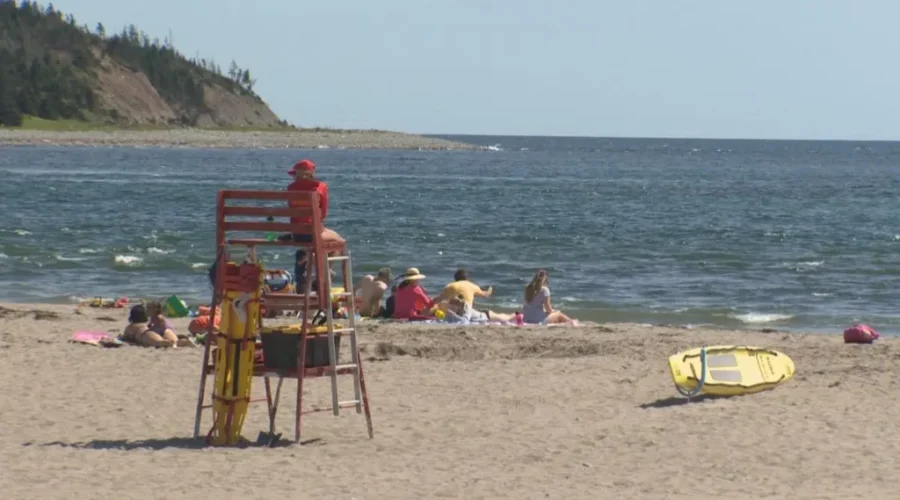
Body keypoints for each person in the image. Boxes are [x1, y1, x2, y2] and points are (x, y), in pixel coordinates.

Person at [286, 159, 345, 291]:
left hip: (296, 233)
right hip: (313, 233)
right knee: (340, 242)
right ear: (311, 173)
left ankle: (307, 262)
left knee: (319, 243)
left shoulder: (290, 188)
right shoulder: (320, 187)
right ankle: (324, 273)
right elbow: (323, 214)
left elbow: (292, 210)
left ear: (297, 173)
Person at [442, 294, 516, 323]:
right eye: (450, 306)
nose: (451, 308)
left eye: (453, 307)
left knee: (506, 318)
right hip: (480, 313)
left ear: (459, 305)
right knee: (502, 316)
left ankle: (515, 314)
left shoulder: (466, 308)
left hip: (486, 316)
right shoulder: (457, 309)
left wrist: (450, 313)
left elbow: (465, 320)